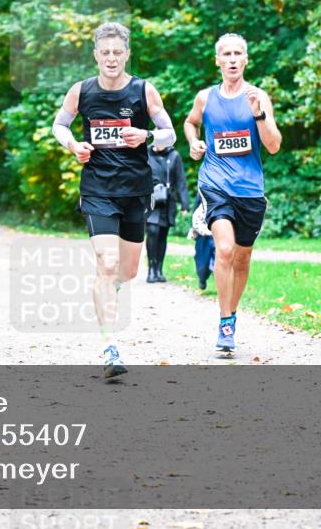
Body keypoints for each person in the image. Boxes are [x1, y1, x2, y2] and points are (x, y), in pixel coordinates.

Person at [51, 22, 177, 378]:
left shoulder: (143, 91)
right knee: (106, 264)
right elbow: (59, 125)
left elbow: (169, 134)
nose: (111, 58)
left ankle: (110, 288)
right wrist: (73, 144)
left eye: (117, 52)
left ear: (127, 54)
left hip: (135, 190)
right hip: (97, 189)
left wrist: (147, 135)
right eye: (105, 52)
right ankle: (110, 346)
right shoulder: (81, 91)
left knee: (128, 271)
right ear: (95, 55)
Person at [183, 33, 282, 353]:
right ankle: (225, 323)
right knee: (224, 250)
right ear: (218, 61)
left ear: (246, 59)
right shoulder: (205, 98)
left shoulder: (258, 96)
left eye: (238, 53)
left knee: (242, 257)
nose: (232, 58)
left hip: (250, 190)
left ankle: (233, 314)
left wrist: (259, 114)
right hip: (214, 183)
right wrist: (194, 142)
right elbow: (190, 122)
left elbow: (274, 145)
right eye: (226, 53)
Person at [145, 144, 189, 283]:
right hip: (150, 199)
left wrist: (185, 204)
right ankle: (151, 269)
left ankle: (159, 269)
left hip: (168, 201)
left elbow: (181, 181)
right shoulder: (146, 154)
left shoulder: (174, 156)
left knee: (162, 234)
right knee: (152, 231)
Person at [187, 195, 215, 292]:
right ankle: (202, 278)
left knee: (220, 258)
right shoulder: (203, 189)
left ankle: (222, 284)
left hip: (219, 231)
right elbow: (196, 209)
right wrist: (193, 228)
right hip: (203, 231)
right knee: (202, 261)